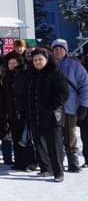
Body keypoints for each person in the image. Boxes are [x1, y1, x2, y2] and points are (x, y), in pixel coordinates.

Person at [25, 48, 69, 182]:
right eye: (35, 60)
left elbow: (64, 93)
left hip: (52, 116)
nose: (37, 62)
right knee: (40, 145)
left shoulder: (55, 73)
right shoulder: (32, 75)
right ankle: (46, 169)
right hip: (36, 115)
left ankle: (58, 172)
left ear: (47, 59)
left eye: (40, 59)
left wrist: (52, 104)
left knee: (54, 146)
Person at [50, 39, 88, 173]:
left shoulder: (75, 65)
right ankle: (58, 159)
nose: (58, 51)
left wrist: (84, 105)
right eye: (55, 49)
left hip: (71, 106)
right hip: (53, 107)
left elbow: (85, 85)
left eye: (60, 48)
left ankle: (73, 161)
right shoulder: (48, 65)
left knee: (70, 134)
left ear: (66, 51)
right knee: (55, 134)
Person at [2, 51, 34, 171]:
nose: (12, 65)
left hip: (24, 111)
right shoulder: (7, 76)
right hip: (12, 112)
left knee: (27, 139)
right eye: (10, 63)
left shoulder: (26, 73)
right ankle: (19, 162)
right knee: (16, 139)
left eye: (14, 62)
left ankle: (30, 163)